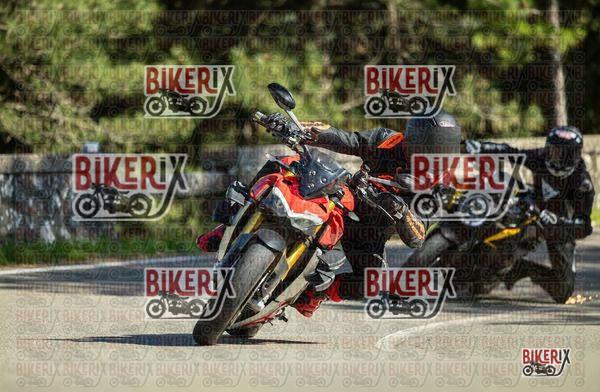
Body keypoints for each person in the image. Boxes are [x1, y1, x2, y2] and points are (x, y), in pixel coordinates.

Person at [197, 111, 463, 315]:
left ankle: (315, 294)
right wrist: (297, 128)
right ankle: (231, 224)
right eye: (425, 151)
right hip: (346, 200)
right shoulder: (387, 140)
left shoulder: (440, 185)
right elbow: (348, 140)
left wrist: (401, 212)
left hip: (370, 232)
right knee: (284, 164)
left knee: (371, 283)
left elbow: (418, 236)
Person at [464, 126, 595, 303]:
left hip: (560, 228)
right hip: (532, 211)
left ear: (575, 155)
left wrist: (560, 222)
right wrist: (481, 147)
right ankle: (474, 251)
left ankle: (522, 268)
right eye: (553, 151)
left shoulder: (582, 183)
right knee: (504, 216)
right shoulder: (540, 157)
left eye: (564, 154)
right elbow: (511, 152)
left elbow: (584, 226)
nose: (556, 158)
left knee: (563, 291)